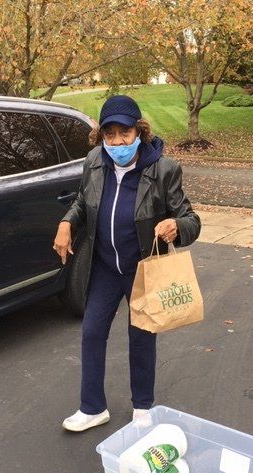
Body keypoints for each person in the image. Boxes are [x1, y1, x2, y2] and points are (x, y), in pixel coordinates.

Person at [53, 95, 201, 432]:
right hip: (105, 267)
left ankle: (143, 407)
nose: (117, 142)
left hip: (142, 269)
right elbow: (83, 201)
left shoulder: (163, 170)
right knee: (92, 333)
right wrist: (67, 222)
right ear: (102, 136)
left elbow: (190, 219)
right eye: (110, 134)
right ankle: (92, 408)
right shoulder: (95, 161)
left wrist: (176, 226)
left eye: (125, 133)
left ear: (139, 132)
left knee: (141, 337)